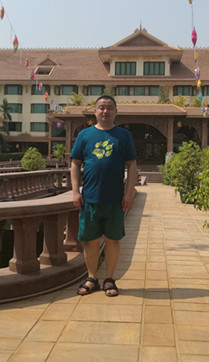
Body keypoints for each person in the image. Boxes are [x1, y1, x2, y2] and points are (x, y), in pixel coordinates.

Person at [70, 95, 137, 297]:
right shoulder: (84, 135)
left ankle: (109, 279)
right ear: (95, 111)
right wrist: (75, 191)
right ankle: (92, 278)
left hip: (115, 199)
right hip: (89, 198)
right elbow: (75, 163)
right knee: (90, 241)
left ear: (116, 112)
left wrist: (129, 193)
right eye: (101, 107)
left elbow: (132, 164)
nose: (105, 111)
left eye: (109, 108)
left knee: (112, 240)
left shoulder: (123, 136)